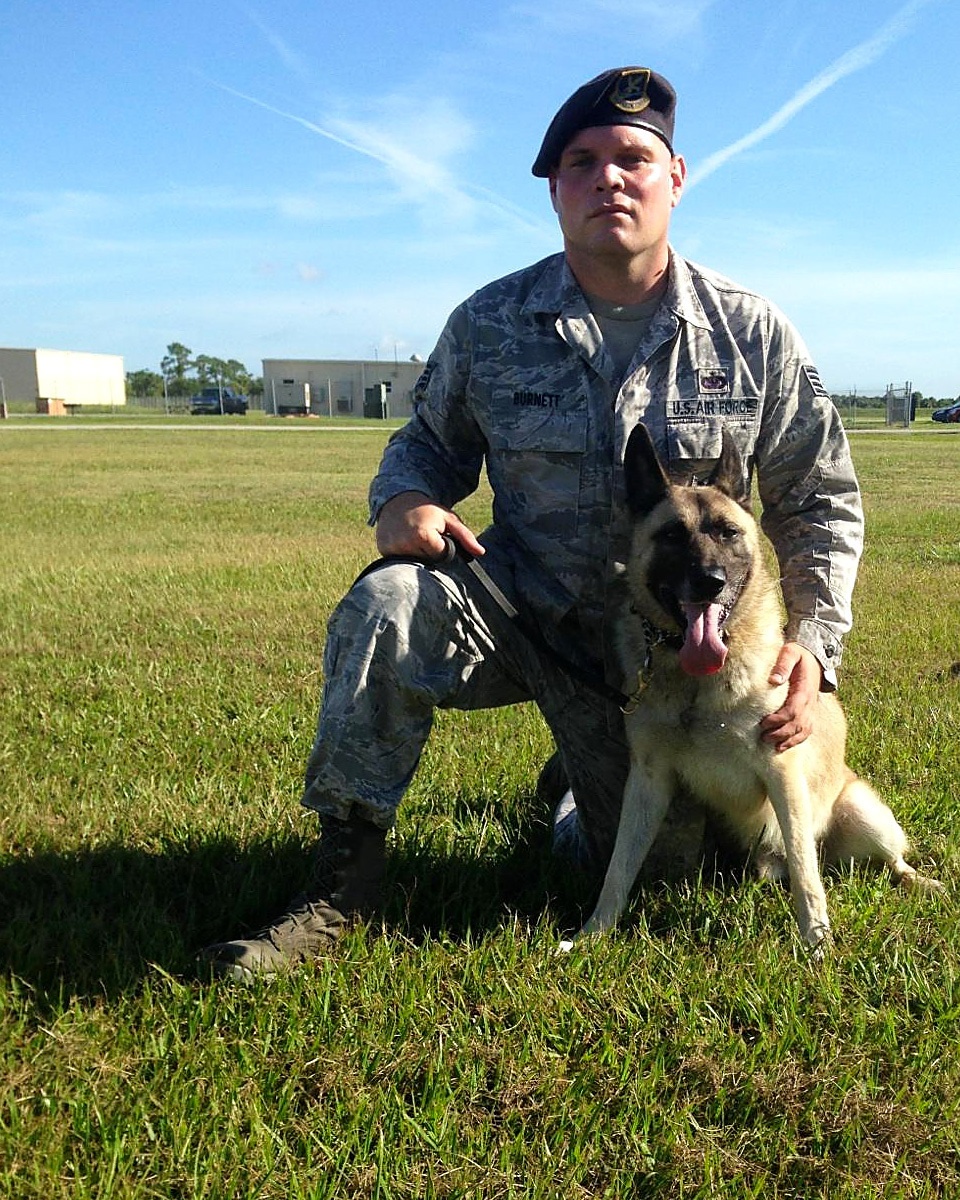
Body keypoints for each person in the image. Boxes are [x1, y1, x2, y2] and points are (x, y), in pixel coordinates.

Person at [199, 66, 863, 982]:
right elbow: (422, 448)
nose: (610, 179)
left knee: (672, 879)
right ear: (554, 189)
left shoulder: (753, 334)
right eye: (583, 162)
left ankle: (570, 790)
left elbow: (821, 496)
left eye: (634, 157)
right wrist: (405, 502)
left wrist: (816, 648)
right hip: (520, 617)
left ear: (676, 176)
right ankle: (342, 888)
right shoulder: (490, 322)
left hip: (670, 665)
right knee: (389, 601)